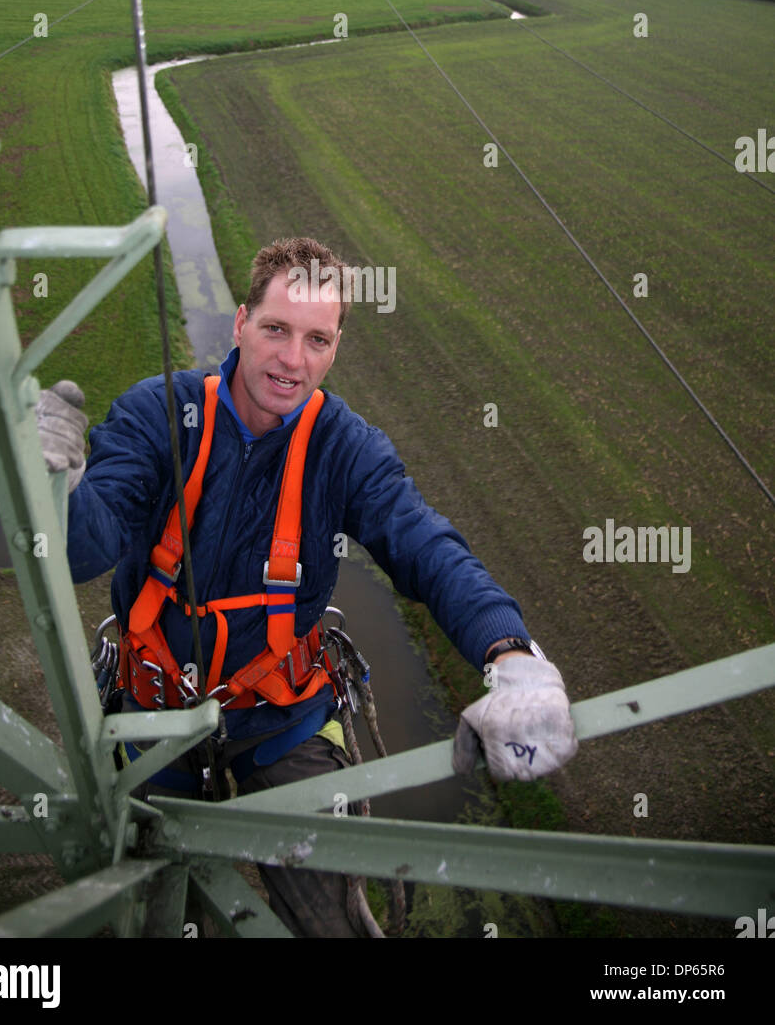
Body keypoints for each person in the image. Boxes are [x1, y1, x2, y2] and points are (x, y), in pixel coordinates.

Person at [36, 235, 578, 936]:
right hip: (154, 712)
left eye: (317, 339)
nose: (293, 361)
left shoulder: (344, 447)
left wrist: (510, 652)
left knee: (330, 921)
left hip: (278, 713)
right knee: (144, 909)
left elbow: (425, 544)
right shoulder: (159, 415)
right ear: (240, 323)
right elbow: (86, 547)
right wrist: (50, 491)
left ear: (336, 347)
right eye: (276, 330)